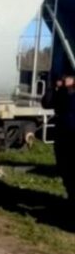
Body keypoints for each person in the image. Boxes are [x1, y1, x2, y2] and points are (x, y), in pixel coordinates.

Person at [42, 75, 75, 205]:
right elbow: (46, 103)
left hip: (72, 135)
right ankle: (70, 194)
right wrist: (53, 88)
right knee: (64, 166)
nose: (64, 80)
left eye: (68, 78)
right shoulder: (61, 93)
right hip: (62, 134)